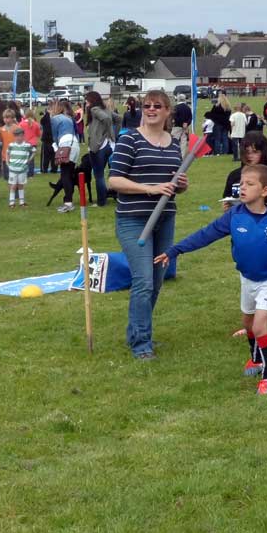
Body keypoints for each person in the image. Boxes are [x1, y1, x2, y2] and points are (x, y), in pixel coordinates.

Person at [160, 162, 267, 394]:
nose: (242, 188)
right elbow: (205, 235)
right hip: (247, 278)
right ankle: (256, 359)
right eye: (241, 184)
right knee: (248, 323)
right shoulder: (234, 216)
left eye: (249, 184)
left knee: (259, 326)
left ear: (265, 191)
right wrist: (175, 250)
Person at [106, 89, 189, 360]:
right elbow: (113, 181)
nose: (151, 109)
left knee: (156, 281)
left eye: (157, 106)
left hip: (165, 219)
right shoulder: (130, 139)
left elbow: (171, 184)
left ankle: (138, 332)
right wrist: (149, 189)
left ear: (167, 112)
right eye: (147, 105)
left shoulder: (173, 143)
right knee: (143, 281)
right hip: (133, 219)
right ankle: (141, 344)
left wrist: (180, 186)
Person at [222, 132, 267, 211]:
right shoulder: (234, 175)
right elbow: (227, 202)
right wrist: (227, 207)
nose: (250, 156)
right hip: (239, 221)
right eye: (247, 152)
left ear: (263, 152)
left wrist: (257, 207)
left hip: (264, 219)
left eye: (255, 152)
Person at [84, 92, 115, 207]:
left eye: (87, 100)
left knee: (99, 176)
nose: (85, 102)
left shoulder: (94, 110)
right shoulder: (105, 109)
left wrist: (104, 134)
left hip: (99, 146)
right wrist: (111, 135)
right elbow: (117, 119)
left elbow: (107, 119)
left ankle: (101, 201)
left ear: (92, 100)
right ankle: (105, 196)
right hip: (108, 146)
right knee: (101, 174)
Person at [49, 100, 80, 213]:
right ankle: (68, 200)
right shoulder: (69, 118)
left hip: (65, 144)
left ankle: (68, 203)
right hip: (75, 144)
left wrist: (56, 150)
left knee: (65, 174)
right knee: (69, 174)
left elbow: (55, 137)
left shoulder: (55, 119)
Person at [5, 125, 34, 207]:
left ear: (23, 136)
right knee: (13, 185)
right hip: (13, 169)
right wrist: (7, 162)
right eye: (17, 136)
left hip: (22, 169)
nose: (19, 138)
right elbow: (7, 153)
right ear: (14, 137)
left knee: (21, 185)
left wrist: (29, 160)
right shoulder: (11, 145)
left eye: (20, 136)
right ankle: (11, 202)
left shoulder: (27, 145)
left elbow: (34, 151)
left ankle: (22, 202)